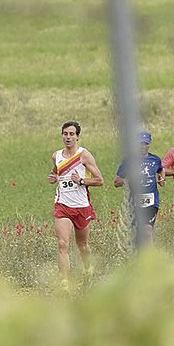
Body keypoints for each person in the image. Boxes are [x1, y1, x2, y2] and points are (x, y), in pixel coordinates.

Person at [48, 121, 104, 291]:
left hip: (81, 206)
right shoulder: (56, 156)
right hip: (63, 205)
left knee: (82, 245)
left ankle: (89, 270)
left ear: (78, 136)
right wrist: (53, 178)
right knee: (62, 244)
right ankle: (64, 283)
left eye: (72, 134)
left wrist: (80, 181)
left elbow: (100, 180)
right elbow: (55, 172)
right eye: (65, 134)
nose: (68, 137)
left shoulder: (84, 156)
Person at [113, 130, 164, 245]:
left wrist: (162, 178)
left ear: (149, 144)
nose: (143, 146)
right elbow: (116, 182)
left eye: (146, 143)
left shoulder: (155, 160)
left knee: (147, 231)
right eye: (140, 143)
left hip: (151, 202)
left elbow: (161, 169)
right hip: (134, 203)